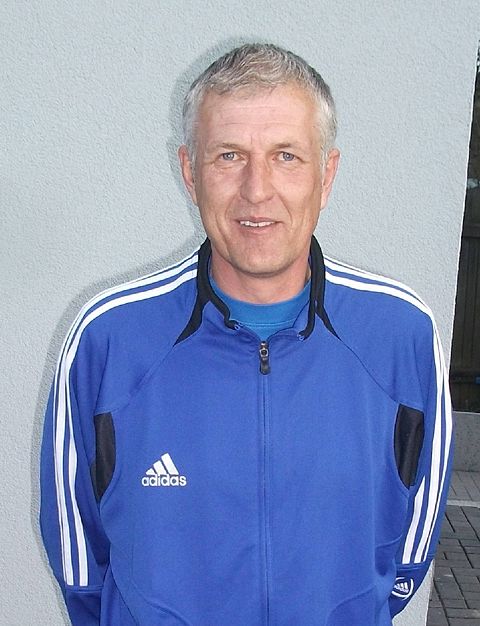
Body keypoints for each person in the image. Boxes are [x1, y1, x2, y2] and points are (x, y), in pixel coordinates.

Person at [40, 43, 453, 626]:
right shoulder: (108, 339)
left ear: (326, 174)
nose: (257, 190)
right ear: (191, 173)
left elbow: (409, 551)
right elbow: (80, 559)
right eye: (229, 155)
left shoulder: (400, 335)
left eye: (286, 156)